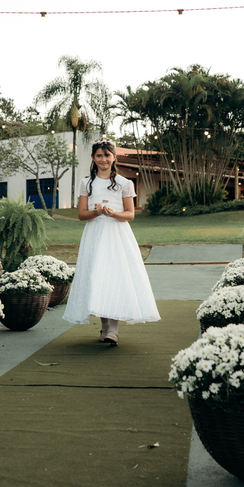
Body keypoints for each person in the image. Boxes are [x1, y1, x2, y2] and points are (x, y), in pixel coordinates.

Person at [63, 137, 159, 345]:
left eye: (107, 155)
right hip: (95, 235)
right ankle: (105, 327)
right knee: (98, 276)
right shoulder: (86, 183)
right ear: (93, 158)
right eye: (99, 155)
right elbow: (81, 214)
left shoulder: (124, 183)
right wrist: (96, 213)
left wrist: (113, 213)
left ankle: (113, 331)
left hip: (116, 236)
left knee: (114, 277)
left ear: (114, 157)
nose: (103, 159)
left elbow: (130, 214)